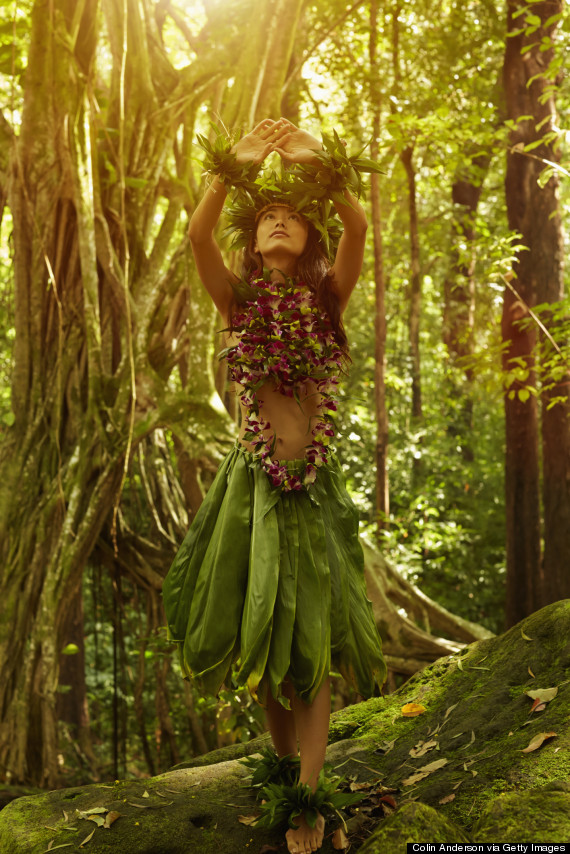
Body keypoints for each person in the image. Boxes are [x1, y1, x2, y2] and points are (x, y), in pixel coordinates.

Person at [161, 117, 386, 854]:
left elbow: (356, 225)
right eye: (266, 220)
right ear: (254, 247)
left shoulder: (327, 304)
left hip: (314, 489)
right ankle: (284, 777)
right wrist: (235, 167)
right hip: (252, 489)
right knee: (263, 634)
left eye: (291, 218)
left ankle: (313, 796)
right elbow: (197, 238)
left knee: (312, 641)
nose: (280, 223)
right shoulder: (238, 306)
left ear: (307, 240)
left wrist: (318, 162)